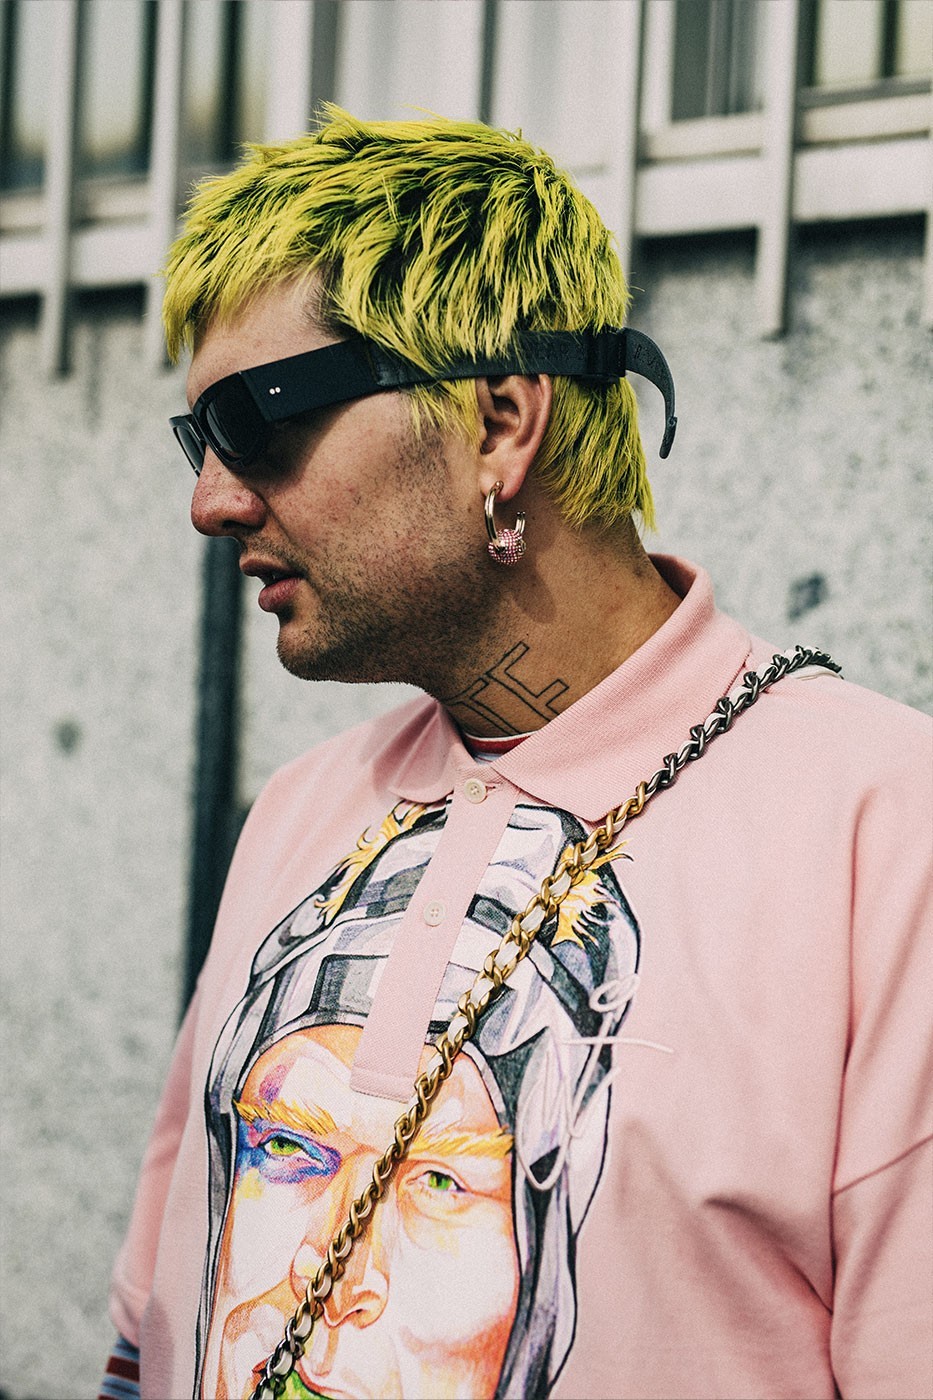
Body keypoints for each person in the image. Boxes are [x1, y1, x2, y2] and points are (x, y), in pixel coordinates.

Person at [103, 109, 932, 1400]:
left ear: (499, 422)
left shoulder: (884, 831)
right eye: (195, 440)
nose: (212, 500)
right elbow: (149, 1322)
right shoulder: (304, 809)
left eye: (254, 424)